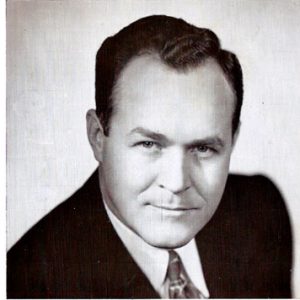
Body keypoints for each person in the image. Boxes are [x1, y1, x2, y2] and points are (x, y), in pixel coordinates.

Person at [7, 15, 292, 298]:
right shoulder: (28, 284)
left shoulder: (261, 211)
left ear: (233, 141)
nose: (177, 183)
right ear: (97, 137)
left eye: (203, 149)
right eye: (149, 144)